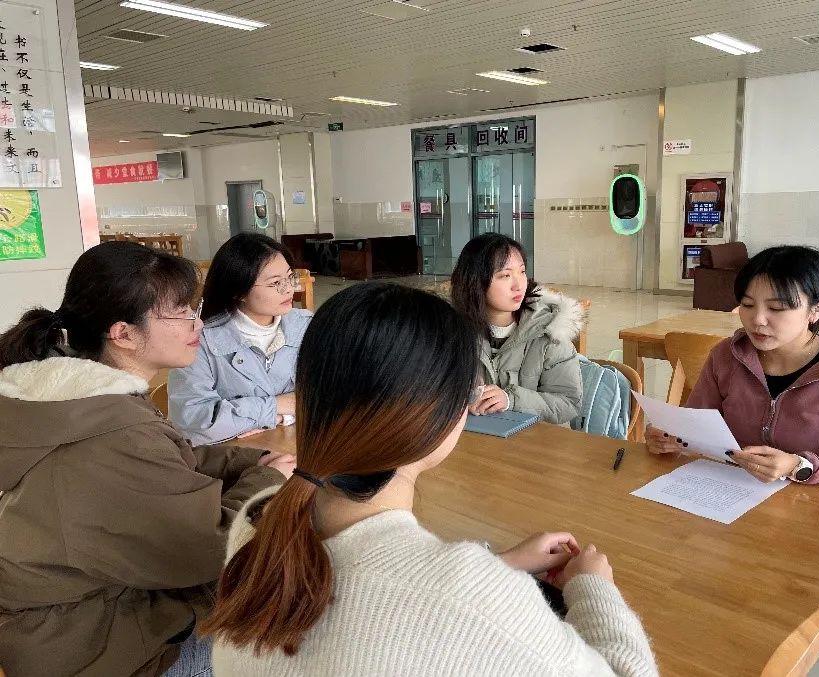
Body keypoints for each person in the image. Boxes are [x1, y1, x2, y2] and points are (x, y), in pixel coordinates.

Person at [201, 282, 657, 676]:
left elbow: (393, 595)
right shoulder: (471, 596)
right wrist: (593, 588)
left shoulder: (260, 518)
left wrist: (499, 566)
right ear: (436, 419)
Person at [0, 241, 294, 677]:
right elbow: (212, 549)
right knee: (286, 626)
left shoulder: (74, 397)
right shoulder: (117, 432)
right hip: (97, 649)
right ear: (123, 334)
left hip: (70, 621)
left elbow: (171, 458)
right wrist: (266, 483)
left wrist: (249, 462)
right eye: (180, 313)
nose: (197, 323)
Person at [647, 245, 819, 495]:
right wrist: (670, 438)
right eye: (747, 304)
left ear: (816, 310)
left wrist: (799, 467)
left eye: (776, 308)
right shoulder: (726, 355)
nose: (758, 320)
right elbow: (694, 427)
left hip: (811, 500)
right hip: (728, 492)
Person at [168, 233, 312, 445]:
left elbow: (339, 395)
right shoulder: (198, 341)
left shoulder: (309, 326)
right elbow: (194, 423)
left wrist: (278, 417)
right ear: (239, 291)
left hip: (302, 446)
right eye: (275, 283)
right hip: (233, 455)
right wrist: (277, 407)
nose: (289, 288)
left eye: (290, 277)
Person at [450, 233, 583, 425]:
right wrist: (463, 398)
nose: (519, 285)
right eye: (505, 275)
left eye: (522, 272)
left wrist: (510, 400)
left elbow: (568, 404)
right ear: (475, 281)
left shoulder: (549, 331)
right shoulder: (451, 331)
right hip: (475, 436)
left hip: (538, 438)